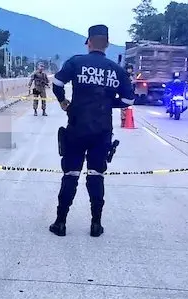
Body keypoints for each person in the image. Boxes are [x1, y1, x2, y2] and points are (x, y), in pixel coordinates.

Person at [50, 24, 134, 237]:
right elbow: (128, 100)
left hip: (77, 128)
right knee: (96, 175)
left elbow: (57, 83)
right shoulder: (117, 70)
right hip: (102, 131)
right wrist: (107, 103)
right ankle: (96, 225)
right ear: (107, 44)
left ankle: (60, 223)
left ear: (88, 42)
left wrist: (63, 102)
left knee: (71, 174)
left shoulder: (76, 62)